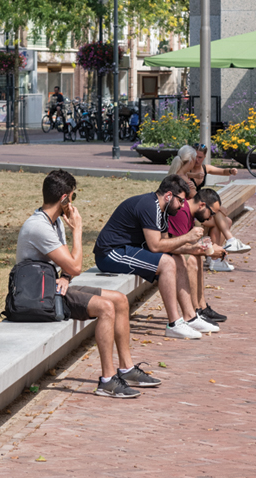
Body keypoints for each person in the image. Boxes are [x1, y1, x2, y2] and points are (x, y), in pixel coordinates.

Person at [16, 168, 161, 399]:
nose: (73, 203)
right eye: (73, 197)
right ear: (65, 198)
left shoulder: (53, 222)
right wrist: (79, 230)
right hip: (37, 297)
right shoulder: (39, 227)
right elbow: (75, 266)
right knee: (105, 307)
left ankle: (127, 369)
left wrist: (65, 278)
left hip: (51, 287)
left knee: (120, 300)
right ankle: (107, 381)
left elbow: (68, 269)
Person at [94, 175, 220, 339]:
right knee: (167, 262)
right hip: (110, 253)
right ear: (169, 196)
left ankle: (190, 317)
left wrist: (193, 247)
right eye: (181, 201)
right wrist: (188, 237)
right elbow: (155, 246)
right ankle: (174, 324)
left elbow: (167, 243)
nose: (182, 205)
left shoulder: (163, 210)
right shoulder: (149, 206)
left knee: (176, 257)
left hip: (128, 250)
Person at [168, 143, 250, 255]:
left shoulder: (181, 175)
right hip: (188, 214)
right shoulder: (184, 180)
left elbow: (219, 172)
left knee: (223, 219)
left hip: (184, 212)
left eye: (200, 157)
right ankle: (221, 251)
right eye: (195, 158)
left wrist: (196, 176)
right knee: (221, 218)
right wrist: (219, 208)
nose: (197, 160)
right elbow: (199, 199)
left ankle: (219, 254)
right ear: (191, 160)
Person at [167, 181, 228, 325]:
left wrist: (209, 249)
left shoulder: (189, 213)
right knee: (192, 259)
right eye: (211, 213)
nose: (210, 218)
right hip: (160, 250)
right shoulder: (182, 212)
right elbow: (177, 244)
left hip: (170, 247)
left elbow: (187, 244)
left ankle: (201, 306)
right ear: (202, 205)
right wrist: (207, 251)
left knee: (197, 257)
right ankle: (194, 311)